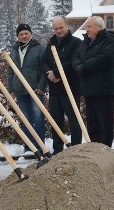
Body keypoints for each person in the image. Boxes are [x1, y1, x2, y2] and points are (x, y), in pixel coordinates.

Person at [73, 16, 114, 146]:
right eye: (86, 26)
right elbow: (76, 56)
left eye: (89, 26)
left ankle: (105, 150)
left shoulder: (109, 41)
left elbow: (104, 59)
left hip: (103, 90)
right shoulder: (85, 42)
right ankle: (95, 149)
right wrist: (78, 66)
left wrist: (84, 66)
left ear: (99, 27)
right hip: (88, 90)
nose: (86, 29)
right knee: (92, 124)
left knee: (104, 123)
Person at [42, 17, 83, 154]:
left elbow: (74, 63)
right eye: (56, 28)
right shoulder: (51, 44)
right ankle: (57, 150)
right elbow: (44, 61)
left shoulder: (76, 43)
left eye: (61, 27)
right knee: (56, 122)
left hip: (70, 89)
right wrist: (49, 73)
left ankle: (76, 149)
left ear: (67, 26)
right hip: (54, 90)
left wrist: (56, 73)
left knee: (74, 121)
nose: (59, 31)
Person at [7, 23, 47, 151]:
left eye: (26, 33)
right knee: (25, 119)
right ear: (17, 36)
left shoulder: (39, 48)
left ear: (31, 34)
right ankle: (29, 147)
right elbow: (10, 71)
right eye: (21, 34)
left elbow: (45, 69)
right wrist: (11, 89)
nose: (24, 36)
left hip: (35, 89)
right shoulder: (14, 50)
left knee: (38, 117)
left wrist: (42, 86)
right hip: (19, 89)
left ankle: (39, 146)